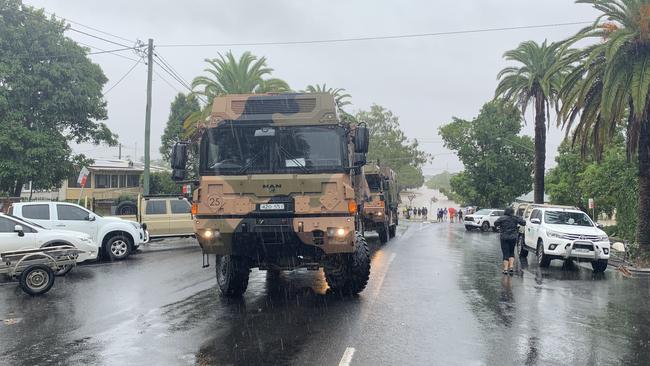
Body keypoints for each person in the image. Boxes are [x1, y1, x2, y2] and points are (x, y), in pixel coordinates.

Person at [494, 207, 526, 275]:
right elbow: (523, 223)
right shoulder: (515, 218)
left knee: (505, 253)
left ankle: (505, 269)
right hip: (513, 237)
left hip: (504, 237)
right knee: (511, 252)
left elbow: (495, 223)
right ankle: (511, 267)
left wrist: (500, 226)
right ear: (512, 212)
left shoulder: (502, 218)